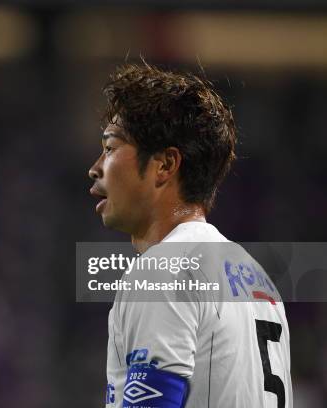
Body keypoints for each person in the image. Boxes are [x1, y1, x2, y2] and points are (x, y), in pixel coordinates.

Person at [88, 63, 292, 407]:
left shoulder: (162, 270)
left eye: (110, 148)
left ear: (165, 165)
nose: (95, 167)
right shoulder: (259, 280)